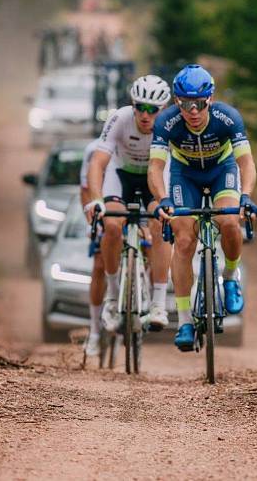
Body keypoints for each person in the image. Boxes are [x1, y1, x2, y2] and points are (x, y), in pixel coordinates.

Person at [149, 64, 257, 351]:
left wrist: (245, 195)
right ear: (177, 102)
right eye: (186, 104)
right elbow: (156, 167)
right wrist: (162, 199)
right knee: (183, 241)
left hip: (221, 170)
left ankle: (230, 276)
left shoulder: (228, 117)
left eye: (199, 103)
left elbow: (246, 162)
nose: (193, 111)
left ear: (209, 99)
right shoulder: (166, 123)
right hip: (184, 175)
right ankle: (185, 320)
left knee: (230, 220)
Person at [85, 75, 174, 333]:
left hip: (153, 178)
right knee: (112, 225)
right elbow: (98, 162)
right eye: (140, 107)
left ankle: (158, 304)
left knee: (159, 224)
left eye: (152, 109)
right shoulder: (121, 118)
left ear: (163, 109)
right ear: (132, 104)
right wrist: (96, 200)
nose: (145, 115)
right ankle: (113, 297)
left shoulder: (169, 126)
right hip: (120, 175)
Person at [79, 137, 107, 356]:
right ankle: (95, 330)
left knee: (150, 246)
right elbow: (85, 190)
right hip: (103, 208)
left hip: (134, 203)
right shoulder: (93, 150)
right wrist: (93, 223)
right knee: (99, 265)